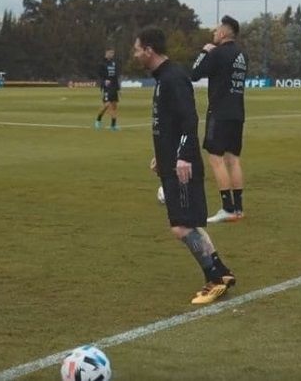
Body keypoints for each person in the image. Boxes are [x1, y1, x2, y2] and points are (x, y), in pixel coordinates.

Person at [133, 26, 236, 305]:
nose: (135, 54)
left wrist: (181, 157)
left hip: (182, 166)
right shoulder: (164, 77)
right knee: (188, 223)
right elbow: (171, 124)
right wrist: (163, 156)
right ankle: (221, 273)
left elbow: (189, 120)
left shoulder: (173, 78)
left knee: (181, 227)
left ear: (149, 50)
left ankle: (214, 280)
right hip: (173, 162)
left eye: (137, 48)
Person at [190, 15, 247, 224]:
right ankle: (239, 208)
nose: (213, 34)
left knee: (216, 158)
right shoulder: (242, 55)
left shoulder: (218, 53)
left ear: (223, 33)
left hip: (220, 112)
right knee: (233, 159)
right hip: (238, 112)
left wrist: (205, 51)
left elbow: (194, 74)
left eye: (215, 31)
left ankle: (227, 207)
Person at [94, 48, 121, 131]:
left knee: (114, 106)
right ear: (106, 53)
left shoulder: (114, 63)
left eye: (113, 53)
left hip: (114, 87)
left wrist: (119, 89)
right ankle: (99, 120)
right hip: (106, 87)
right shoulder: (102, 63)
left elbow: (116, 76)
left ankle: (112, 125)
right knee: (107, 105)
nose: (112, 54)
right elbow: (99, 75)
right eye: (110, 53)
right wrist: (104, 81)